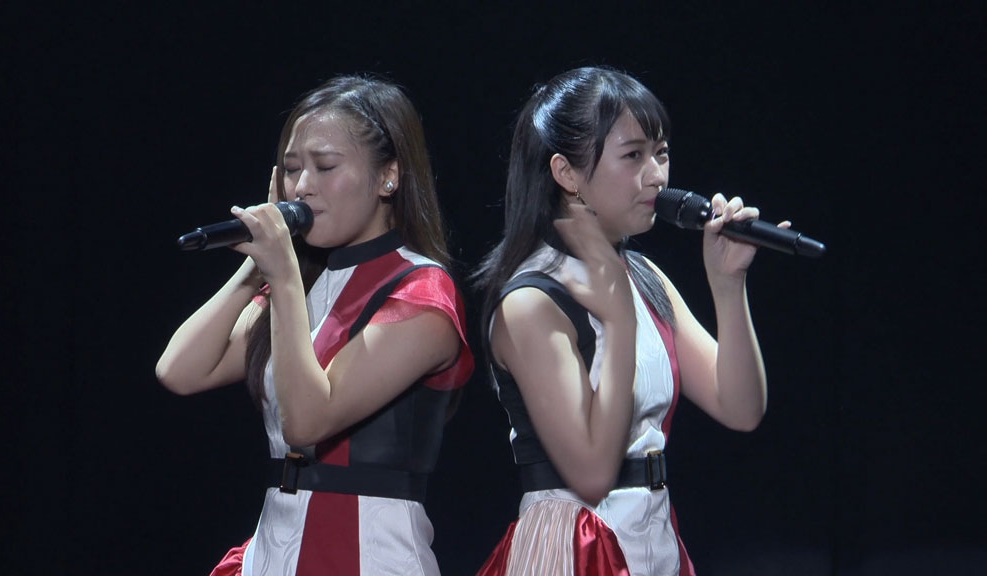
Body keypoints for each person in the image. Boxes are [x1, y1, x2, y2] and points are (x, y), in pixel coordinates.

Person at [156, 75, 473, 576]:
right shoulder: (300, 283)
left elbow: (306, 422)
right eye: (291, 169)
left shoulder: (421, 290)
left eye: (325, 166)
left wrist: (282, 276)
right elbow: (180, 370)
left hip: (370, 554)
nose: (302, 186)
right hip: (274, 549)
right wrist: (256, 268)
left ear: (388, 177)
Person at [474, 67, 785, 576]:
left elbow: (741, 408)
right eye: (634, 155)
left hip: (652, 536)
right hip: (575, 543)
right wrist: (618, 321)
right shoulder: (532, 301)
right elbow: (591, 472)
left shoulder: (643, 277)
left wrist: (728, 285)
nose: (658, 176)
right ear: (566, 173)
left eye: (661, 153)